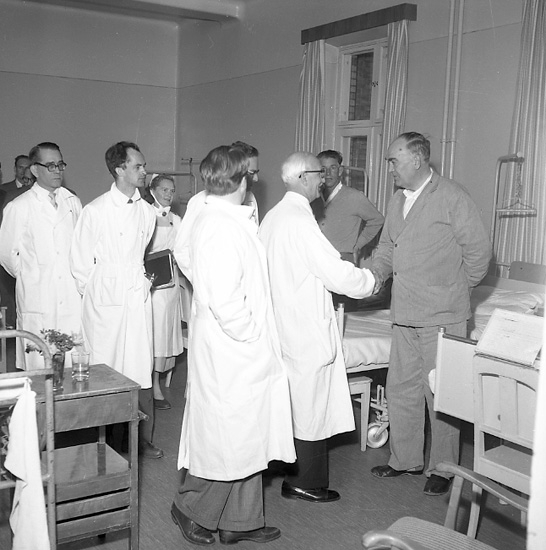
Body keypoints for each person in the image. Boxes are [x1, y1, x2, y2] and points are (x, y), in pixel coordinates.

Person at [171, 145, 295, 546]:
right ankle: (190, 507)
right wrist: (252, 336)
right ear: (240, 179)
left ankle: (240, 520)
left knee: (248, 435)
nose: (254, 180)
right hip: (234, 346)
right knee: (227, 436)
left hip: (238, 346)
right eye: (251, 174)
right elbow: (225, 300)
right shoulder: (219, 225)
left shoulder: (228, 217)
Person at [369, 132, 492, 496]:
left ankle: (443, 467)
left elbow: (479, 253)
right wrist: (376, 275)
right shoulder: (398, 199)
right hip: (404, 311)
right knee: (401, 388)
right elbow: (387, 246)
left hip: (442, 313)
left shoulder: (452, 196)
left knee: (441, 392)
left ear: (417, 160)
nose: (390, 168)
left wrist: (456, 290)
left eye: (394, 161)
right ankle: (404, 459)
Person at [259, 152, 376, 503]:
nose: (323, 180)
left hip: (282, 322)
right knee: (309, 404)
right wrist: (370, 282)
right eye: (319, 174)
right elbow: (334, 272)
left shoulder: (274, 216)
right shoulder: (300, 220)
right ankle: (304, 483)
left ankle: (285, 467)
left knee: (291, 402)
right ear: (303, 177)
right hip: (303, 326)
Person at [70, 141, 163, 459]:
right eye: (138, 166)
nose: (144, 171)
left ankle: (135, 441)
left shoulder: (147, 211)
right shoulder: (95, 210)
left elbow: (142, 252)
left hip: (136, 295)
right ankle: (103, 440)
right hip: (105, 298)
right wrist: (100, 293)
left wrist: (136, 284)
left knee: (139, 366)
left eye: (143, 165)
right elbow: (80, 263)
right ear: (119, 169)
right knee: (106, 368)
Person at [0, 142, 82, 369]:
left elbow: (80, 247)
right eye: (51, 165)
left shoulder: (72, 202)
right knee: (39, 364)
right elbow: (6, 254)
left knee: (72, 363)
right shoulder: (19, 206)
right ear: (35, 170)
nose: (57, 170)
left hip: (69, 294)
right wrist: (30, 275)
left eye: (60, 165)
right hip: (37, 295)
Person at [146, 174, 184, 410]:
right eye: (164, 190)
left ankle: (157, 381)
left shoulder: (176, 219)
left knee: (166, 333)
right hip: (153, 283)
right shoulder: (145, 214)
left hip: (171, 282)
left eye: (171, 190)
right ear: (153, 191)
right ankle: (152, 386)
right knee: (155, 333)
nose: (169, 194)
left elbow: (182, 247)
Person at [313, 150, 384, 265]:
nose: (328, 173)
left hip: (342, 260)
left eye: (333, 168)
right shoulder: (314, 196)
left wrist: (358, 245)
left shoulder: (354, 196)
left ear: (340, 171)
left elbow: (377, 220)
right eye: (323, 169)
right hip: (316, 258)